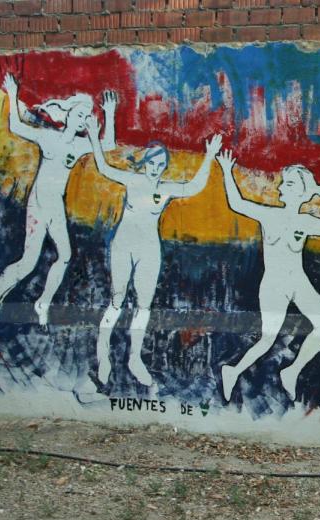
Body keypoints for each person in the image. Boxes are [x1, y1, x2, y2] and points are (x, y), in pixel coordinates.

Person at [84, 115, 222, 392]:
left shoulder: (165, 189)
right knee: (117, 301)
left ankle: (135, 359)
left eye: (160, 164)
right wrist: (92, 137)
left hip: (149, 249)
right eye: (151, 162)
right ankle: (103, 356)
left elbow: (193, 187)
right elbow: (103, 167)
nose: (155, 168)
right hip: (124, 244)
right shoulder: (132, 179)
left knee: (144, 306)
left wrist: (209, 157)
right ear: (144, 162)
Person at [217, 150, 320, 403]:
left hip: (298, 282)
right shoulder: (271, 215)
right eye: (284, 182)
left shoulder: (305, 220)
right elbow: (237, 203)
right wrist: (226, 171)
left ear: (302, 192)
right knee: (268, 339)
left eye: (289, 183)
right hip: (275, 284)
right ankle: (232, 371)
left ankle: (292, 370)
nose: (281, 186)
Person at [0, 73, 118, 325]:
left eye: (86, 117)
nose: (82, 120)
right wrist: (12, 94)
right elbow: (17, 126)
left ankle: (43, 302)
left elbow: (108, 144)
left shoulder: (80, 146)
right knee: (28, 262)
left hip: (56, 205)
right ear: (67, 115)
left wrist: (109, 114)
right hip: (39, 203)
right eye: (78, 115)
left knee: (65, 255)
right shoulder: (49, 137)